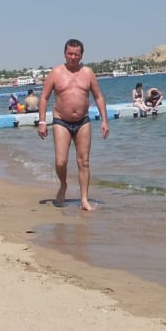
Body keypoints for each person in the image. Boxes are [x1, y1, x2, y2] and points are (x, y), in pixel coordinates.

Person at [37, 38, 109, 211]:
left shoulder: (88, 73)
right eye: (70, 53)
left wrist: (105, 120)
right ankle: (63, 184)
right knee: (61, 161)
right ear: (64, 54)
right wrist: (41, 121)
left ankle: (84, 199)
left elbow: (98, 96)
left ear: (81, 55)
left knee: (83, 162)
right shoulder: (56, 72)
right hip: (61, 120)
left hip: (83, 121)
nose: (73, 57)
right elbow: (44, 97)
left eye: (76, 54)